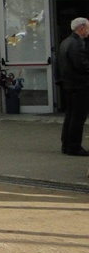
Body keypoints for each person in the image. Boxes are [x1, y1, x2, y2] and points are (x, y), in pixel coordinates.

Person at [57, 17, 89, 156]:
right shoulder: (76, 44)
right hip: (79, 85)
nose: (88, 31)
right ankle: (74, 146)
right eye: (87, 28)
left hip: (69, 84)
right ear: (81, 28)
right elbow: (81, 65)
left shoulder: (65, 42)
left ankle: (67, 144)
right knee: (78, 117)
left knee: (70, 115)